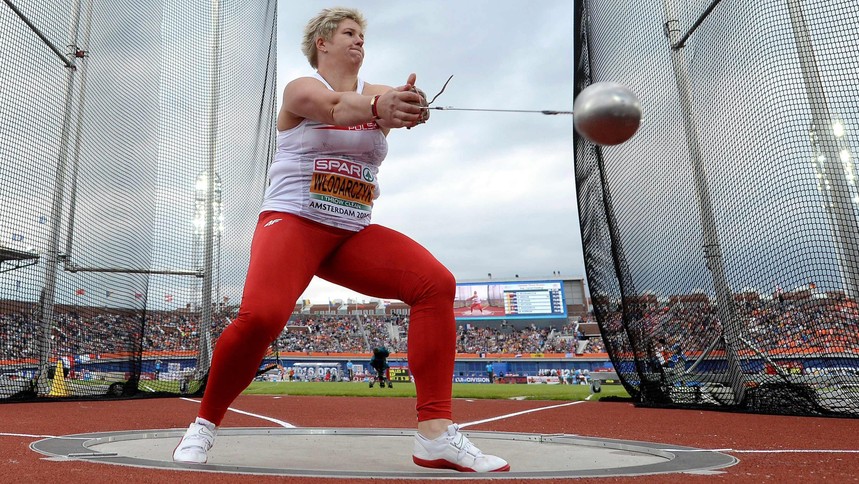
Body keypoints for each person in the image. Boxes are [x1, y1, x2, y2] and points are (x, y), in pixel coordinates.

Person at [172, 7, 508, 473]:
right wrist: (380, 109)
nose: (359, 42)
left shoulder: (377, 92)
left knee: (435, 283)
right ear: (322, 44)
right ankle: (203, 426)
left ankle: (435, 435)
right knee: (262, 316)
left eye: (362, 36)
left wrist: (411, 102)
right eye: (348, 33)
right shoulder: (301, 89)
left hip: (351, 231)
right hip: (293, 221)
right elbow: (334, 109)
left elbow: (395, 100)